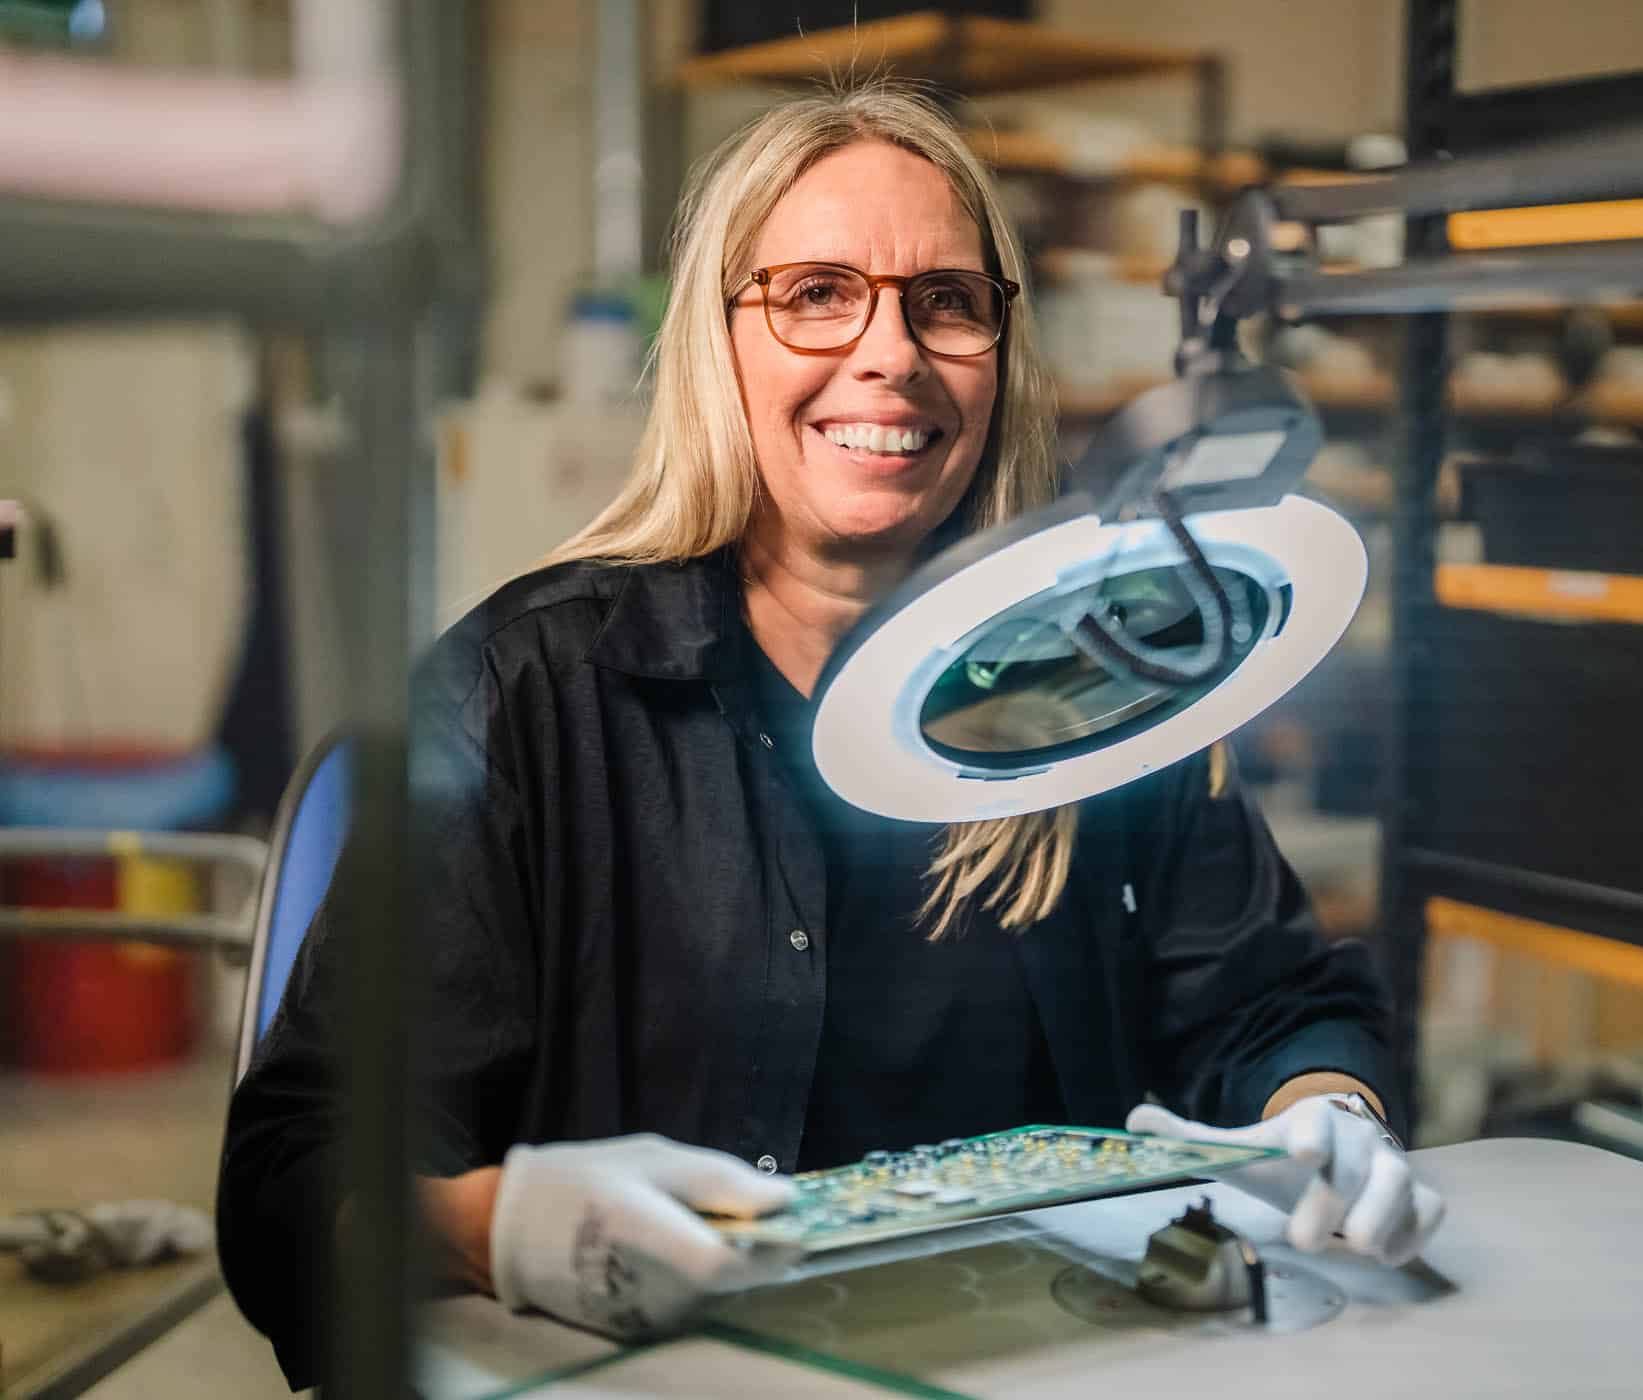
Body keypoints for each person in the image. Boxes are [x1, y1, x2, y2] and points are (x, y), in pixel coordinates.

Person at [219, 78, 1444, 1389]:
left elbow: (1274, 1005)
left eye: (946, 301)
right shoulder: (524, 694)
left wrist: (1328, 1118)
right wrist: (496, 1230)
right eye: (816, 292)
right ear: (720, 341)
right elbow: (294, 1175)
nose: (891, 354)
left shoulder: (1109, 672)